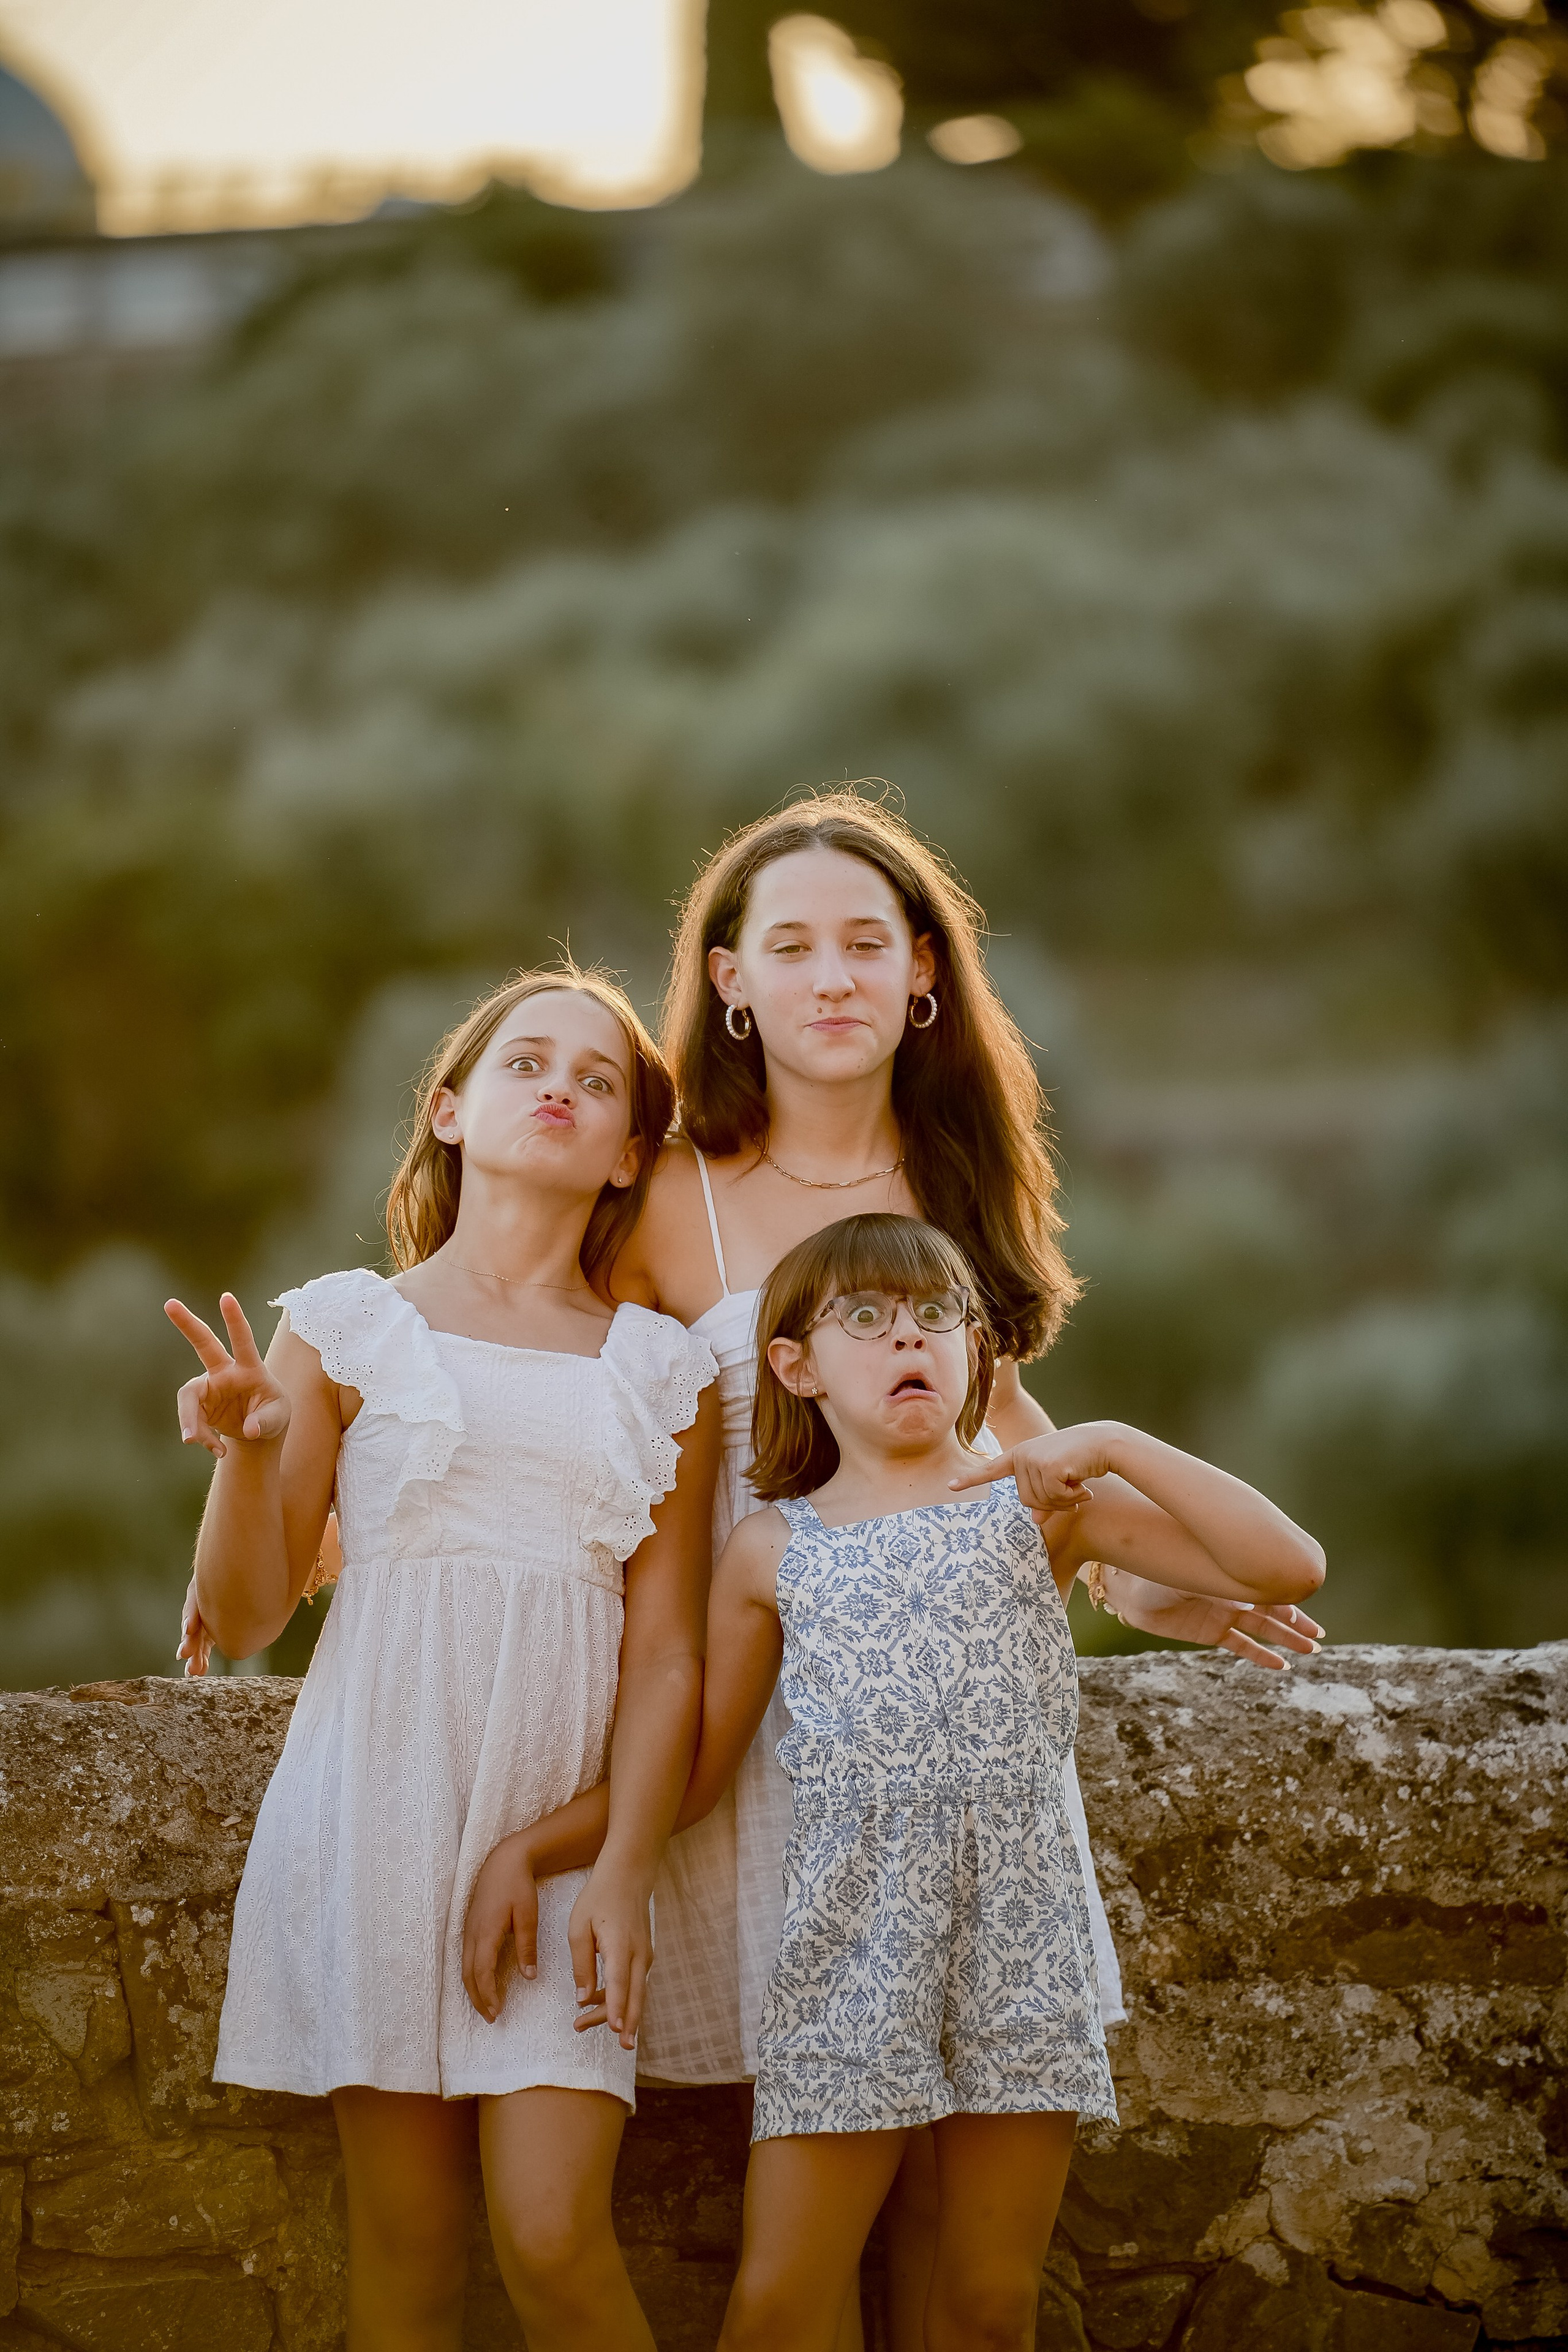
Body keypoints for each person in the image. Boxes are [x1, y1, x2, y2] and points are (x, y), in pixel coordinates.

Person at [462, 793, 1326, 2347]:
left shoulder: (954, 1190)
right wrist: (325, 1477)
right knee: (788, 2250)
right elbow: (525, 1352)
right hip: (755, 1724)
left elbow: (1010, 1469)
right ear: (730, 983)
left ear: (923, 971)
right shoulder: (664, 1197)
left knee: (955, 2267)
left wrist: (1151, 1591)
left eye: (866, 943)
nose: (831, 978)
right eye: (787, 948)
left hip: (956, 1785)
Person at [551, 1210, 1324, 2352]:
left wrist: (1108, 1439)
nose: (904, 1337)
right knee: (775, 2302)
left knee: (987, 2305)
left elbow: (1286, 1564)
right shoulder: (771, 1549)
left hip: (1024, 1943)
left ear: (975, 1352)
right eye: (862, 1317)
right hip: (852, 1952)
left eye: (934, 1315)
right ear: (794, 1366)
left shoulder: (1037, 1505)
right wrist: (550, 1852)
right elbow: (700, 1773)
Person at [167, 966, 720, 2352]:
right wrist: (249, 1456)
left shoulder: (660, 1369)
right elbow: (244, 1622)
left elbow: (664, 1660)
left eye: (598, 1084)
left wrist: (621, 1866)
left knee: (550, 2238)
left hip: (561, 1847)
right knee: (407, 2260)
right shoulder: (345, 1323)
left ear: (625, 1158)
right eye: (527, 1063)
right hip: (375, 1817)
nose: (561, 1090)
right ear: (450, 1109)